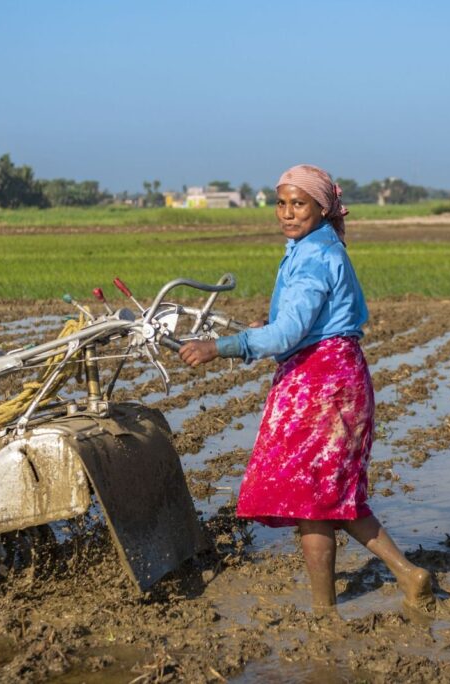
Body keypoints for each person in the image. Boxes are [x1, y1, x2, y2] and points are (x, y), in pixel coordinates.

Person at [179, 164, 434, 614]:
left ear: (322, 206)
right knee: (327, 493)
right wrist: (268, 325)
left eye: (299, 204)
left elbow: (286, 335)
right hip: (328, 375)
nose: (287, 213)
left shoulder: (315, 256)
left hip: (322, 385)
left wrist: (219, 347)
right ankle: (408, 575)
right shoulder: (312, 246)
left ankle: (324, 612)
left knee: (311, 497)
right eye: (281, 203)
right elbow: (295, 324)